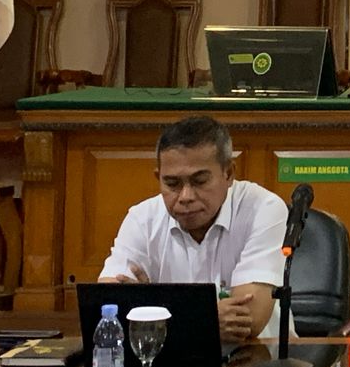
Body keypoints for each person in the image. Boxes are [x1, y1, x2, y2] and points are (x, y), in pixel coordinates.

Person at [100, 115, 287, 341]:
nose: (185, 196)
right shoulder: (142, 218)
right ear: (158, 177)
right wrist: (204, 319)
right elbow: (107, 306)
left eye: (199, 181)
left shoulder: (263, 208)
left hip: (257, 354)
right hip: (169, 356)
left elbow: (247, 321)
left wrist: (151, 305)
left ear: (228, 173)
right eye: (172, 184)